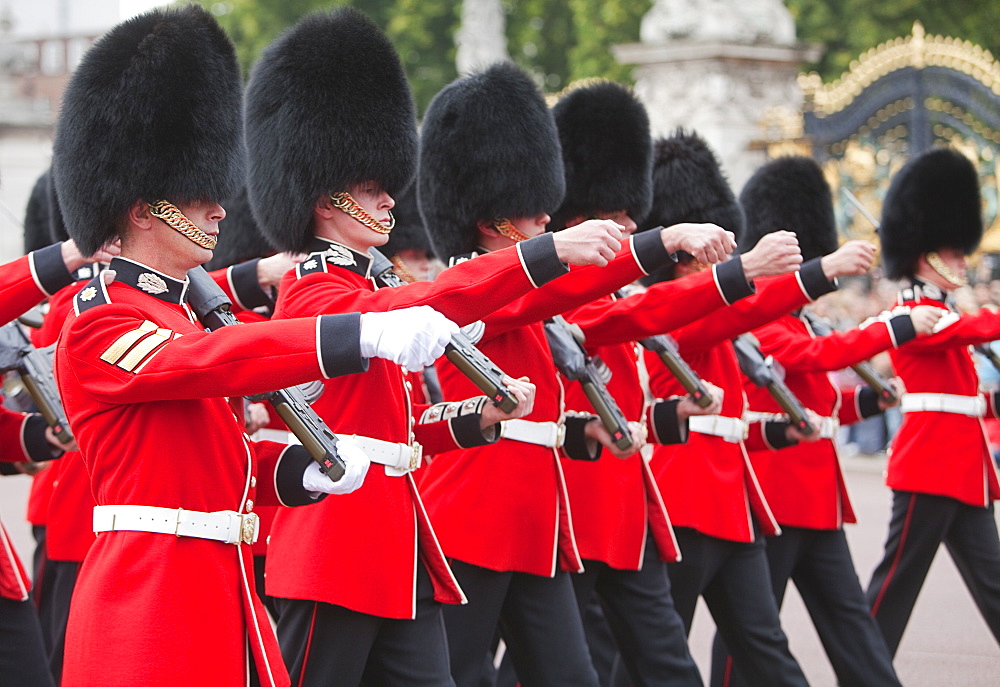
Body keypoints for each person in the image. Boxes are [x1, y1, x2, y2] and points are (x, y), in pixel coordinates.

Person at [50, 7, 455, 687]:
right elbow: (212, 363)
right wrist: (359, 332)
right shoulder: (99, 320)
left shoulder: (180, 317)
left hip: (221, 599)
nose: (220, 208)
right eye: (198, 192)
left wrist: (297, 470)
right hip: (146, 614)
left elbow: (211, 462)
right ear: (143, 206)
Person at [243, 11, 622, 686]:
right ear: (327, 198)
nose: (390, 199)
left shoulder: (377, 280)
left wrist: (476, 419)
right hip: (334, 553)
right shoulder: (312, 292)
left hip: (398, 552)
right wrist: (545, 252)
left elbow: (402, 426)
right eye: (369, 189)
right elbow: (407, 308)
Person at [415, 66, 738, 687]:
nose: (547, 218)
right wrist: (664, 239)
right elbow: (605, 302)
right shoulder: (471, 290)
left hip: (538, 522)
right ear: (492, 218)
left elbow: (619, 315)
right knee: (453, 674)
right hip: (473, 518)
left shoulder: (526, 288)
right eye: (534, 212)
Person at [638, 131, 876, 687]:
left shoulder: (715, 310)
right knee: (654, 652)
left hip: (732, 501)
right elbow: (737, 310)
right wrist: (820, 270)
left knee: (765, 649)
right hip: (686, 500)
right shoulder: (670, 312)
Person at [709, 155, 941, 687]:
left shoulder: (798, 314)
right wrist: (893, 327)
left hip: (816, 497)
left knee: (851, 626)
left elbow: (818, 397)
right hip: (777, 494)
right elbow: (815, 359)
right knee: (752, 628)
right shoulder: (760, 307)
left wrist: (869, 403)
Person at [865, 146, 1000, 655]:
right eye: (956, 253)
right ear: (928, 257)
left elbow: (959, 395)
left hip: (963, 468)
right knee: (896, 584)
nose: (964, 262)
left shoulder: (941, 310)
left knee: (995, 585)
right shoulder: (914, 313)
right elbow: (959, 333)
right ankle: (865, 668)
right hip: (929, 467)